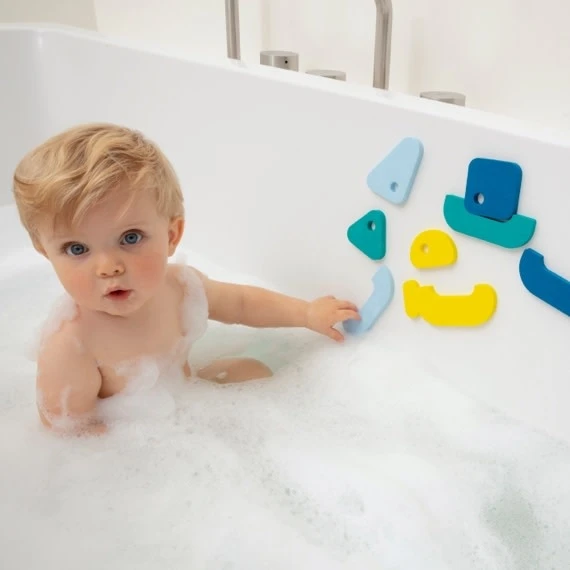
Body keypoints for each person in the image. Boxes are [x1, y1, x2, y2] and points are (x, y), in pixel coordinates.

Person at [12, 123, 361, 436]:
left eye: (130, 238)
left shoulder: (178, 286)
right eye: (77, 249)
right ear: (45, 252)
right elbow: (71, 435)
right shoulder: (72, 345)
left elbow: (240, 304)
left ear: (172, 235)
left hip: (181, 410)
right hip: (133, 443)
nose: (108, 267)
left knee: (250, 370)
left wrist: (306, 314)